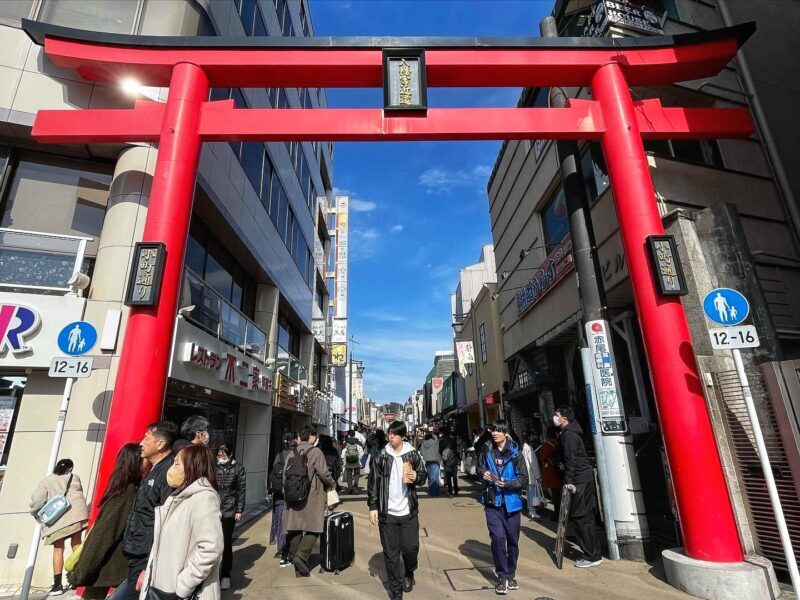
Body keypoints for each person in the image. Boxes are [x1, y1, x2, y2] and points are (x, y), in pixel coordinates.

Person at [139, 444, 223, 600]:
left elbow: (211, 549)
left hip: (179, 593)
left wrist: (183, 585)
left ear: (192, 467)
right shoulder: (178, 496)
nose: (172, 468)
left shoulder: (204, 498)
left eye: (177, 463)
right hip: (161, 589)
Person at [67, 444, 142, 598]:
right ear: (135, 463)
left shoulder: (122, 492)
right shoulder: (125, 497)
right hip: (105, 571)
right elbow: (101, 538)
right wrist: (80, 573)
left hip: (105, 573)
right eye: (144, 459)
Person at [368, 421, 427, 600]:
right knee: (390, 552)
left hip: (408, 511)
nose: (391, 436)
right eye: (389, 433)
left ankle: (409, 571)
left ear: (402, 436)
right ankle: (395, 588)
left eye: (394, 434)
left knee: (410, 549)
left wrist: (417, 476)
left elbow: (423, 475)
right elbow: (373, 483)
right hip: (388, 513)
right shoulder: (381, 456)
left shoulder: (412, 454)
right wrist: (373, 506)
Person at [119, 421, 177, 600]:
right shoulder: (153, 471)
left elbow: (166, 524)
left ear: (160, 444)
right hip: (136, 554)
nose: (141, 443)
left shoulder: (168, 473)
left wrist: (149, 567)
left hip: (146, 559)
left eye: (146, 438)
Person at [479, 420, 528, 595]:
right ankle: (502, 576)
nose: (494, 433)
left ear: (506, 433)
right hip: (493, 503)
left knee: (512, 541)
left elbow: (524, 480)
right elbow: (479, 468)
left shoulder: (516, 454)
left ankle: (511, 574)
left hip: (512, 504)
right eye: (493, 430)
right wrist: (482, 473)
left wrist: (507, 483)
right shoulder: (486, 450)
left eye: (498, 430)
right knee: (498, 539)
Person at [30, 458, 90, 596]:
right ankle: (77, 579)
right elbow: (79, 493)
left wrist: (35, 513)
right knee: (76, 544)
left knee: (58, 549)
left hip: (57, 519)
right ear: (70, 468)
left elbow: (37, 500)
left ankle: (57, 585)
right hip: (77, 515)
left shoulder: (47, 480)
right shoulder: (74, 477)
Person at [283, 426, 336, 577]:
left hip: (292, 495)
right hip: (311, 495)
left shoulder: (291, 453)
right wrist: (332, 484)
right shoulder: (315, 452)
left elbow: (284, 477)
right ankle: (301, 556)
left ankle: (298, 567)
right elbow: (324, 473)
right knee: (314, 527)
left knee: (294, 528)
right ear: (311, 437)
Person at [554, 406, 603, 568]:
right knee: (587, 517)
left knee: (581, 516)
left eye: (557, 415)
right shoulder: (573, 433)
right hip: (584, 477)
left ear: (564, 418)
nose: (554, 418)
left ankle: (591, 555)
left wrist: (568, 480)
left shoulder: (569, 435)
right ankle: (593, 553)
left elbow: (570, 459)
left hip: (578, 480)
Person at [215, 443, 247, 590]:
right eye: (219, 454)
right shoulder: (213, 467)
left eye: (224, 453)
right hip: (213, 509)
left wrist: (239, 510)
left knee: (226, 542)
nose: (221, 456)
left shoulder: (238, 468)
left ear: (230, 454)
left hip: (229, 510)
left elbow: (241, 491)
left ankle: (225, 574)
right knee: (212, 542)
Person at [269, 432, 296, 568]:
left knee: (279, 521)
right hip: (292, 495)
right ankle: (288, 548)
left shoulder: (279, 456)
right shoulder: (296, 455)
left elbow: (273, 473)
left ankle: (279, 546)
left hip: (278, 495)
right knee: (291, 523)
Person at [539, 426, 563, 520]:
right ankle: (561, 514)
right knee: (559, 496)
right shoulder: (558, 443)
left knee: (556, 497)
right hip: (559, 473)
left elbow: (543, 459)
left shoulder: (546, 445)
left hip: (553, 474)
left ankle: (558, 515)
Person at [521, 433, 543, 520]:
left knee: (529, 493)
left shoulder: (522, 448)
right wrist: (538, 476)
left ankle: (531, 510)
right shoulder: (528, 448)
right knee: (533, 494)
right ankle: (532, 511)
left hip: (526, 475)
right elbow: (533, 463)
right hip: (531, 475)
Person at [438, 428, 460, 497]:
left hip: (446, 461)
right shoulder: (453, 440)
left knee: (448, 477)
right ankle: (456, 490)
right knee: (454, 477)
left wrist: (443, 455)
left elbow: (440, 451)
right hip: (454, 460)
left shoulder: (441, 441)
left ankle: (450, 492)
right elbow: (456, 450)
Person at [419, 432, 440, 497]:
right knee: (434, 478)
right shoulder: (434, 442)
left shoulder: (423, 443)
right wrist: (433, 434)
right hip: (434, 461)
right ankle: (435, 493)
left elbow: (421, 453)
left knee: (430, 477)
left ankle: (431, 491)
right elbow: (436, 438)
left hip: (427, 461)